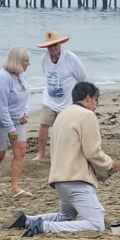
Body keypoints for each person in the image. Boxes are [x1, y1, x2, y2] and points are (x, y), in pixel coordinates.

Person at [5, 82, 120, 236]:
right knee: (96, 223)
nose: (96, 106)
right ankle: (44, 227)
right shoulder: (87, 115)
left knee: (66, 217)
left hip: (59, 178)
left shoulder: (62, 114)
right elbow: (93, 152)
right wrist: (110, 164)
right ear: (88, 98)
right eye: (96, 101)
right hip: (76, 178)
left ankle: (26, 220)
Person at [35, 30, 88, 161]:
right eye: (49, 46)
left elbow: (82, 77)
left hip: (67, 101)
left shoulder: (71, 58)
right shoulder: (44, 58)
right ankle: (41, 154)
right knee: (43, 125)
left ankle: (68, 154)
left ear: (60, 44)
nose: (52, 48)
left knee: (66, 129)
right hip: (49, 99)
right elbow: (46, 74)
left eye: (55, 45)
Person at [0, 46, 32, 198]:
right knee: (0, 152)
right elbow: (1, 106)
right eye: (26, 60)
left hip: (17, 117)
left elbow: (23, 95)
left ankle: (14, 187)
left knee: (21, 150)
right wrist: (10, 128)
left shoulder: (21, 75)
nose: (28, 64)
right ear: (18, 61)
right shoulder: (3, 78)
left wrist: (25, 112)